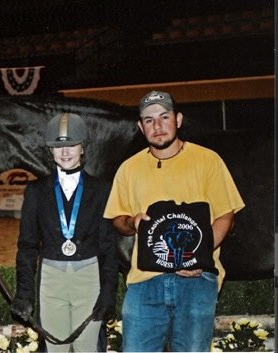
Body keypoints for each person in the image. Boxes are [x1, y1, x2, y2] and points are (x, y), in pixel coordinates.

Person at [104, 91, 245, 352]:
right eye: (149, 120)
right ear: (140, 127)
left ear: (178, 120)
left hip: (197, 280)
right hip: (144, 282)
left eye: (164, 117)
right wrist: (132, 221)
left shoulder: (208, 160)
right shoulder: (128, 168)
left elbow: (226, 215)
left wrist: (198, 258)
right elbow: (117, 220)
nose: (157, 126)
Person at [11, 113, 118, 352]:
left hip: (89, 278)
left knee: (87, 348)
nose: (65, 152)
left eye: (71, 145)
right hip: (51, 279)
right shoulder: (36, 191)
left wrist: (109, 292)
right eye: (58, 146)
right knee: (55, 349)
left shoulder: (101, 189)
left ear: (83, 148)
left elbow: (108, 246)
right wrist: (25, 294)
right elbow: (27, 246)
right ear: (50, 151)